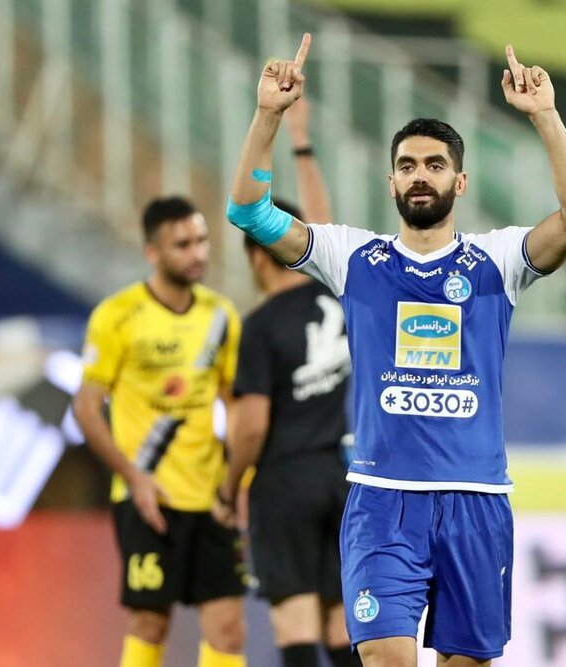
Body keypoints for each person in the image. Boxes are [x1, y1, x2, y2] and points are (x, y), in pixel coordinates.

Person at [222, 33, 566, 667]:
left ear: (460, 181)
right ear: (391, 180)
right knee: (384, 656)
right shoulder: (354, 258)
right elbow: (248, 211)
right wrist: (268, 115)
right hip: (381, 500)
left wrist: (545, 116)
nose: (419, 175)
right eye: (406, 165)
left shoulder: (498, 261)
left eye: (433, 165)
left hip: (476, 501)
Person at [214, 96, 360, 667]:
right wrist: (301, 142)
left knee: (295, 623)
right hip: (339, 475)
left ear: (258, 257)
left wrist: (231, 486)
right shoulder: (334, 293)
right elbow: (324, 226)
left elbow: (252, 426)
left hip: (283, 482)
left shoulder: (259, 327)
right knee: (340, 624)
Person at [73, 196, 247, 667]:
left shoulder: (221, 315)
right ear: (152, 252)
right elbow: (86, 408)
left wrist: (237, 482)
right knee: (150, 623)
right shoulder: (117, 315)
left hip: (211, 498)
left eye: (202, 241)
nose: (197, 253)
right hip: (148, 498)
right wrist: (134, 478)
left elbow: (234, 405)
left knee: (228, 628)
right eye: (182, 245)